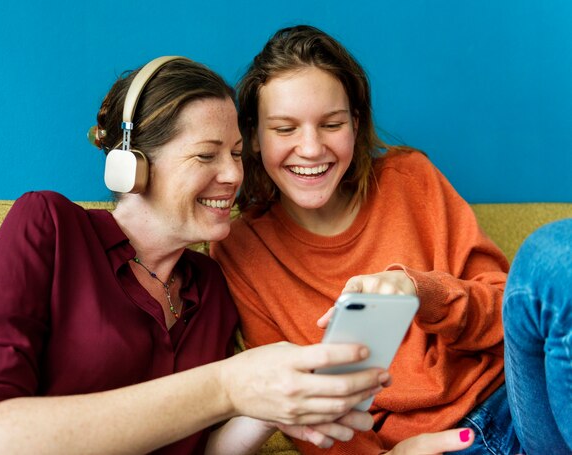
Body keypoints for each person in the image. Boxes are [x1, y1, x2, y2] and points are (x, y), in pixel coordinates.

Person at [0, 56, 393, 454]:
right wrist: (229, 385)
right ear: (132, 164)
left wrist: (272, 406)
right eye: (206, 156)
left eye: (237, 154)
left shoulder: (210, 284)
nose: (234, 174)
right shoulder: (50, 226)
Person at [211, 25, 526, 454]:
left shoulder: (411, 179)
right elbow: (299, 404)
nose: (310, 148)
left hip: (515, 402)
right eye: (284, 129)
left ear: (355, 125)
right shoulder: (240, 248)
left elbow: (510, 317)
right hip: (428, 447)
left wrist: (419, 291)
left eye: (332, 124)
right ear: (253, 135)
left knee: (551, 260)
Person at [502, 219, 572, 453]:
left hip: (524, 393)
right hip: (442, 439)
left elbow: (498, 297)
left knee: (551, 255)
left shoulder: (412, 187)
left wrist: (427, 293)